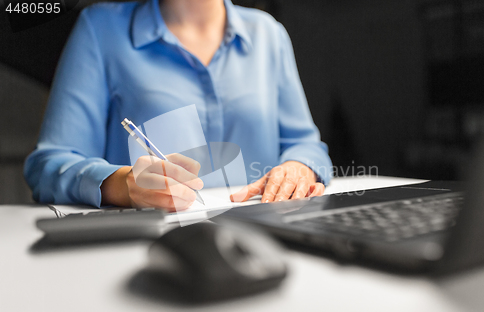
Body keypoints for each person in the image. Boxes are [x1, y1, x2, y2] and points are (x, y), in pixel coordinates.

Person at [24, 0, 333, 211]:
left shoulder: (268, 34)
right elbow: (47, 165)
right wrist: (122, 186)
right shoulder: (100, 29)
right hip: (148, 246)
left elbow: (306, 145)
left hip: (269, 237)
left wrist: (301, 168)